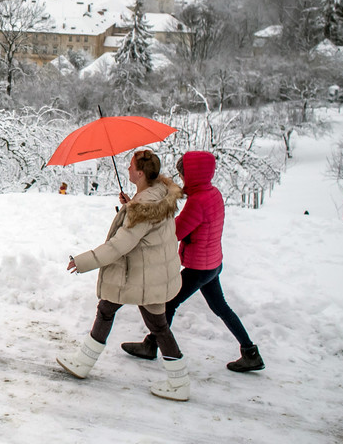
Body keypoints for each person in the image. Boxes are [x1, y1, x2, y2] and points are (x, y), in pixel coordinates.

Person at [57, 149, 190, 401]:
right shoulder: (159, 194)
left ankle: (180, 382)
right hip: (150, 272)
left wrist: (82, 261)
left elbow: (118, 246)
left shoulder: (143, 207)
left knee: (155, 325)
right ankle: (83, 363)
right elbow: (148, 225)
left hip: (142, 277)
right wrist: (131, 204)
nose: (127, 169)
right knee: (110, 309)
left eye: (131, 166)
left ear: (140, 173)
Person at [120, 151, 265, 373]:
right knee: (221, 308)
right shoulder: (212, 193)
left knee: (169, 303)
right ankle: (250, 352)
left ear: (193, 176)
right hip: (213, 263)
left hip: (199, 267)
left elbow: (174, 231)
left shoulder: (198, 201)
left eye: (183, 175)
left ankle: (151, 346)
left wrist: (138, 215)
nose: (182, 180)